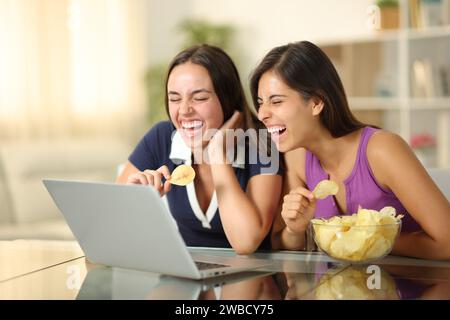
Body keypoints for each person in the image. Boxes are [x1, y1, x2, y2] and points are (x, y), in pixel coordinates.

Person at [249, 41, 450, 260]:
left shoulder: (382, 150)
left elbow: (447, 243)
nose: (262, 114)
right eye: (260, 103)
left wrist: (366, 238)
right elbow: (282, 242)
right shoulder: (296, 157)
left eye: (276, 101)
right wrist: (295, 229)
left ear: (316, 102)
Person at [116, 44, 282, 254]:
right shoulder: (162, 137)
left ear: (227, 99)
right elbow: (112, 222)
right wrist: (139, 201)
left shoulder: (261, 143)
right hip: (190, 278)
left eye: (200, 98)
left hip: (253, 281)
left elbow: (246, 242)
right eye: (174, 98)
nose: (184, 110)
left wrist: (216, 155)